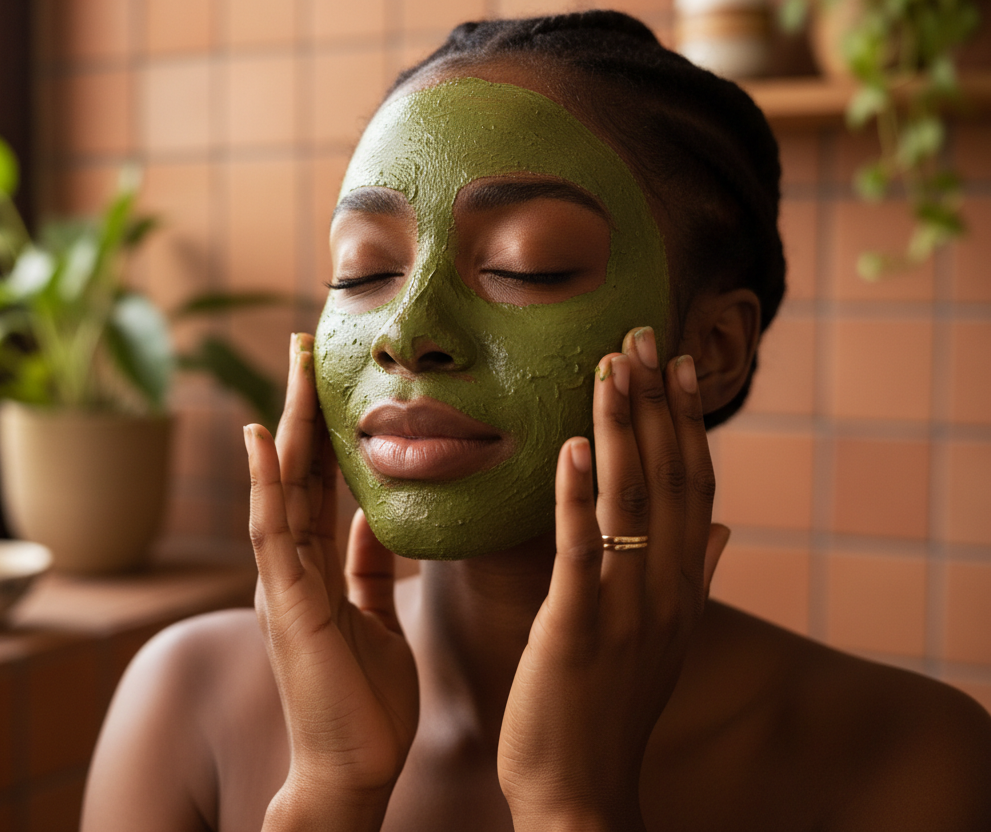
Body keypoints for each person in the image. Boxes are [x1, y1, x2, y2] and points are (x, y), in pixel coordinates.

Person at [82, 12, 991, 832]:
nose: (407, 334)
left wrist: (574, 808)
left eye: (528, 266)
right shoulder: (187, 703)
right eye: (362, 271)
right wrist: (328, 791)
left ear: (712, 347)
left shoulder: (909, 760)